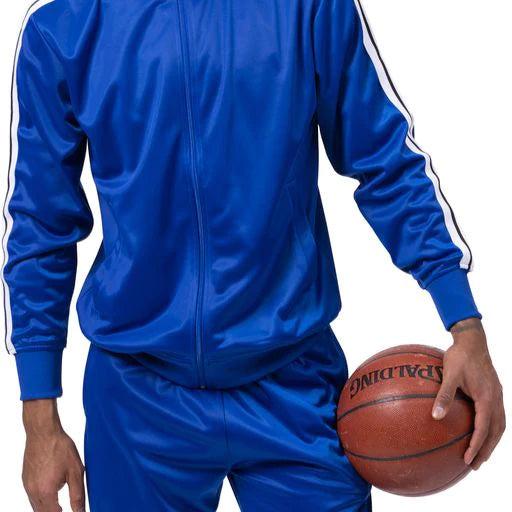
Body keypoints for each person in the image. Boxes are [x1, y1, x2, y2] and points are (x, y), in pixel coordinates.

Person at [3, 0, 505, 511]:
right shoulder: (63, 24)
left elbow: (386, 163)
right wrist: (39, 417)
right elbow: (40, 223)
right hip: (137, 397)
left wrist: (465, 323)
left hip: (293, 379)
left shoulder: (309, 7)